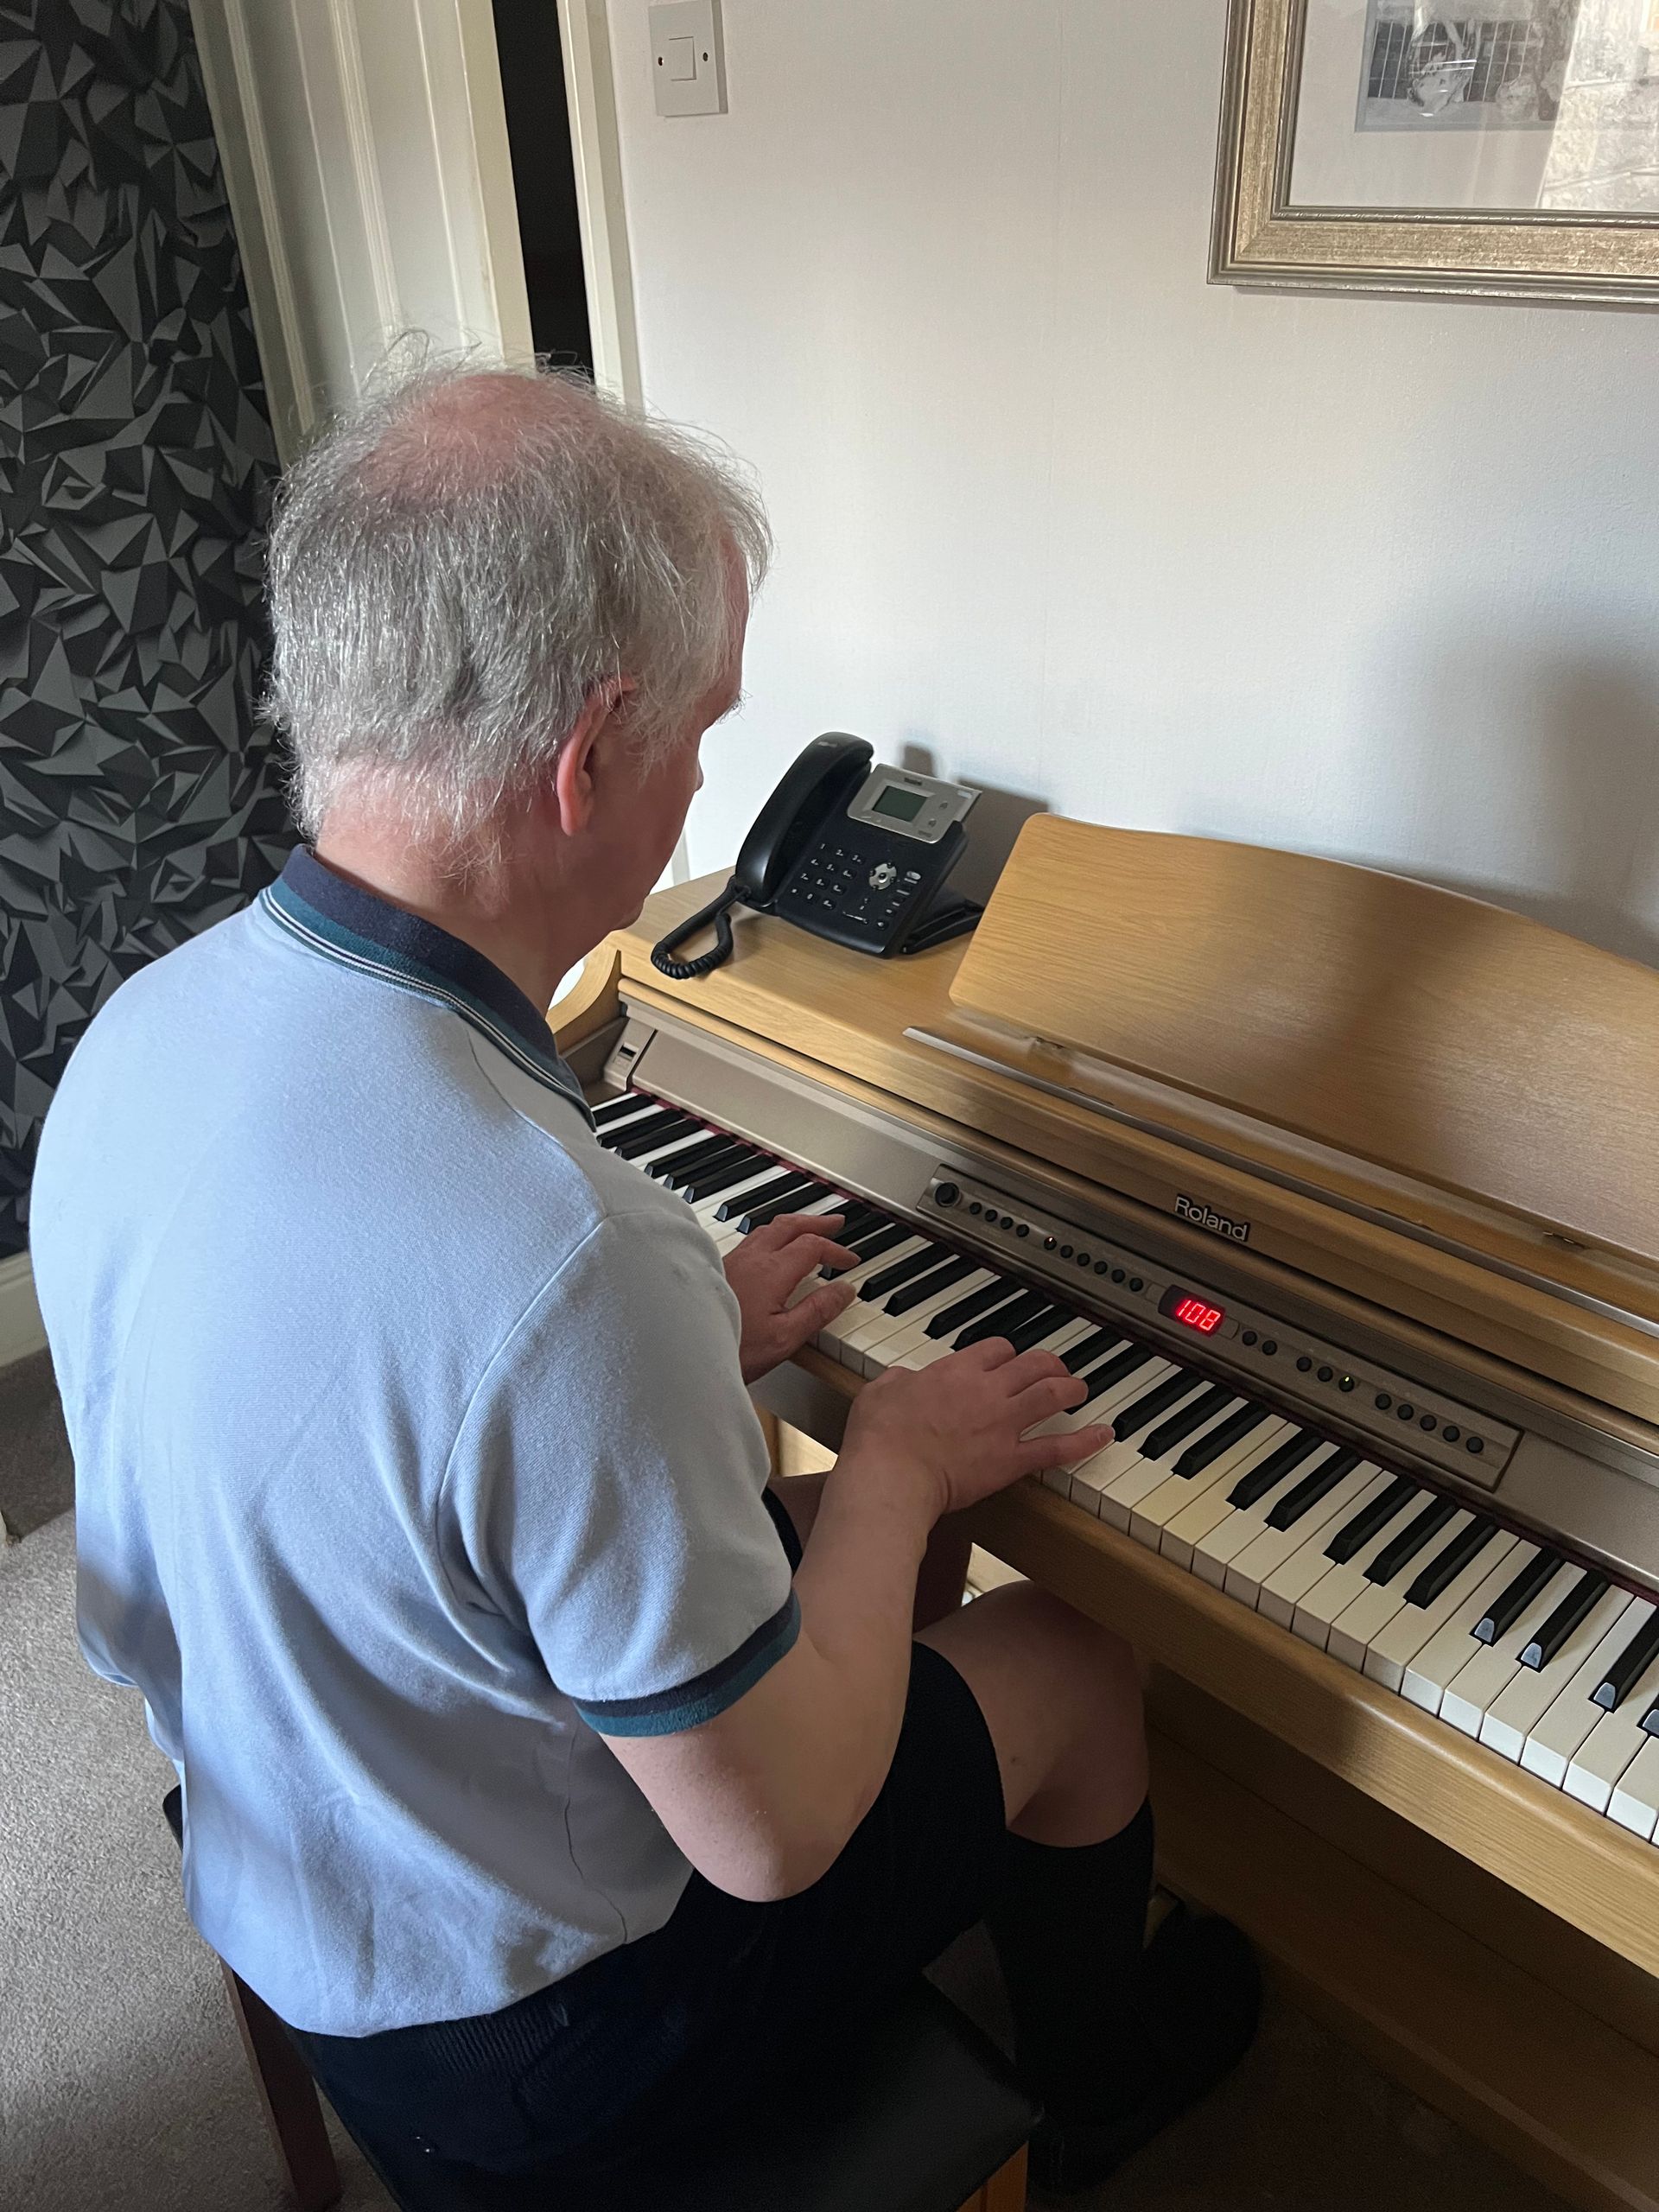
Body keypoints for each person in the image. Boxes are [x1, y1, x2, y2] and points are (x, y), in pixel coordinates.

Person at [32, 362, 1258, 2199]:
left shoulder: (149, 1024)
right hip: (527, 2045)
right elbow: (761, 1839)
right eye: (704, 729)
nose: (706, 782)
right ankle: (1100, 2088)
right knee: (1072, 1658)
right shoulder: (566, 1252)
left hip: (288, 1821)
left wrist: (690, 1356)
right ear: (588, 750)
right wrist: (906, 1459)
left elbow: (382, 1394)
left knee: (811, 1537)